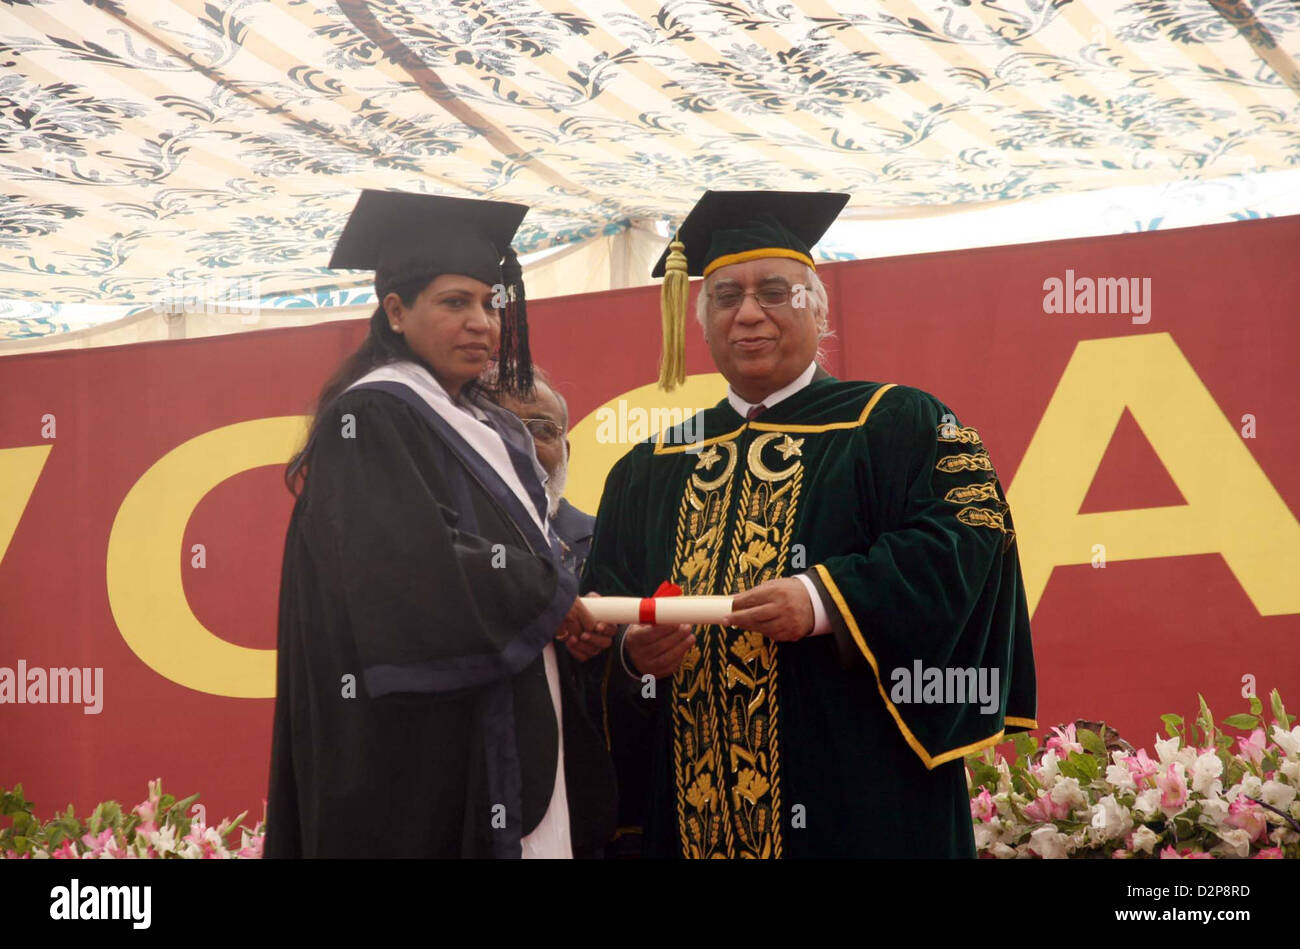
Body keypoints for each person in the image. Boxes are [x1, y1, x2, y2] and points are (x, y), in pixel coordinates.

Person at [581, 190, 1037, 858]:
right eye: (724, 296)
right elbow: (600, 608)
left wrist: (826, 599)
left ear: (817, 308)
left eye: (774, 291)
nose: (748, 313)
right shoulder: (647, 468)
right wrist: (630, 653)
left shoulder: (898, 422)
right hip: (692, 817)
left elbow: (968, 544)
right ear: (700, 320)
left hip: (860, 804)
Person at [266, 190, 617, 858]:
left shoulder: (484, 426)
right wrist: (549, 596)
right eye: (455, 303)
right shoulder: (371, 417)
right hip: (418, 764)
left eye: (490, 303)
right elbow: (406, 570)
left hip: (505, 733)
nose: (482, 323)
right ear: (395, 311)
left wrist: (559, 614)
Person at [490, 367, 654, 857]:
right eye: (502, 426)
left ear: (566, 448)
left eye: (542, 429)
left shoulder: (610, 538)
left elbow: (646, 673)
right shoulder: (439, 548)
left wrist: (614, 646)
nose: (524, 443)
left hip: (599, 805)